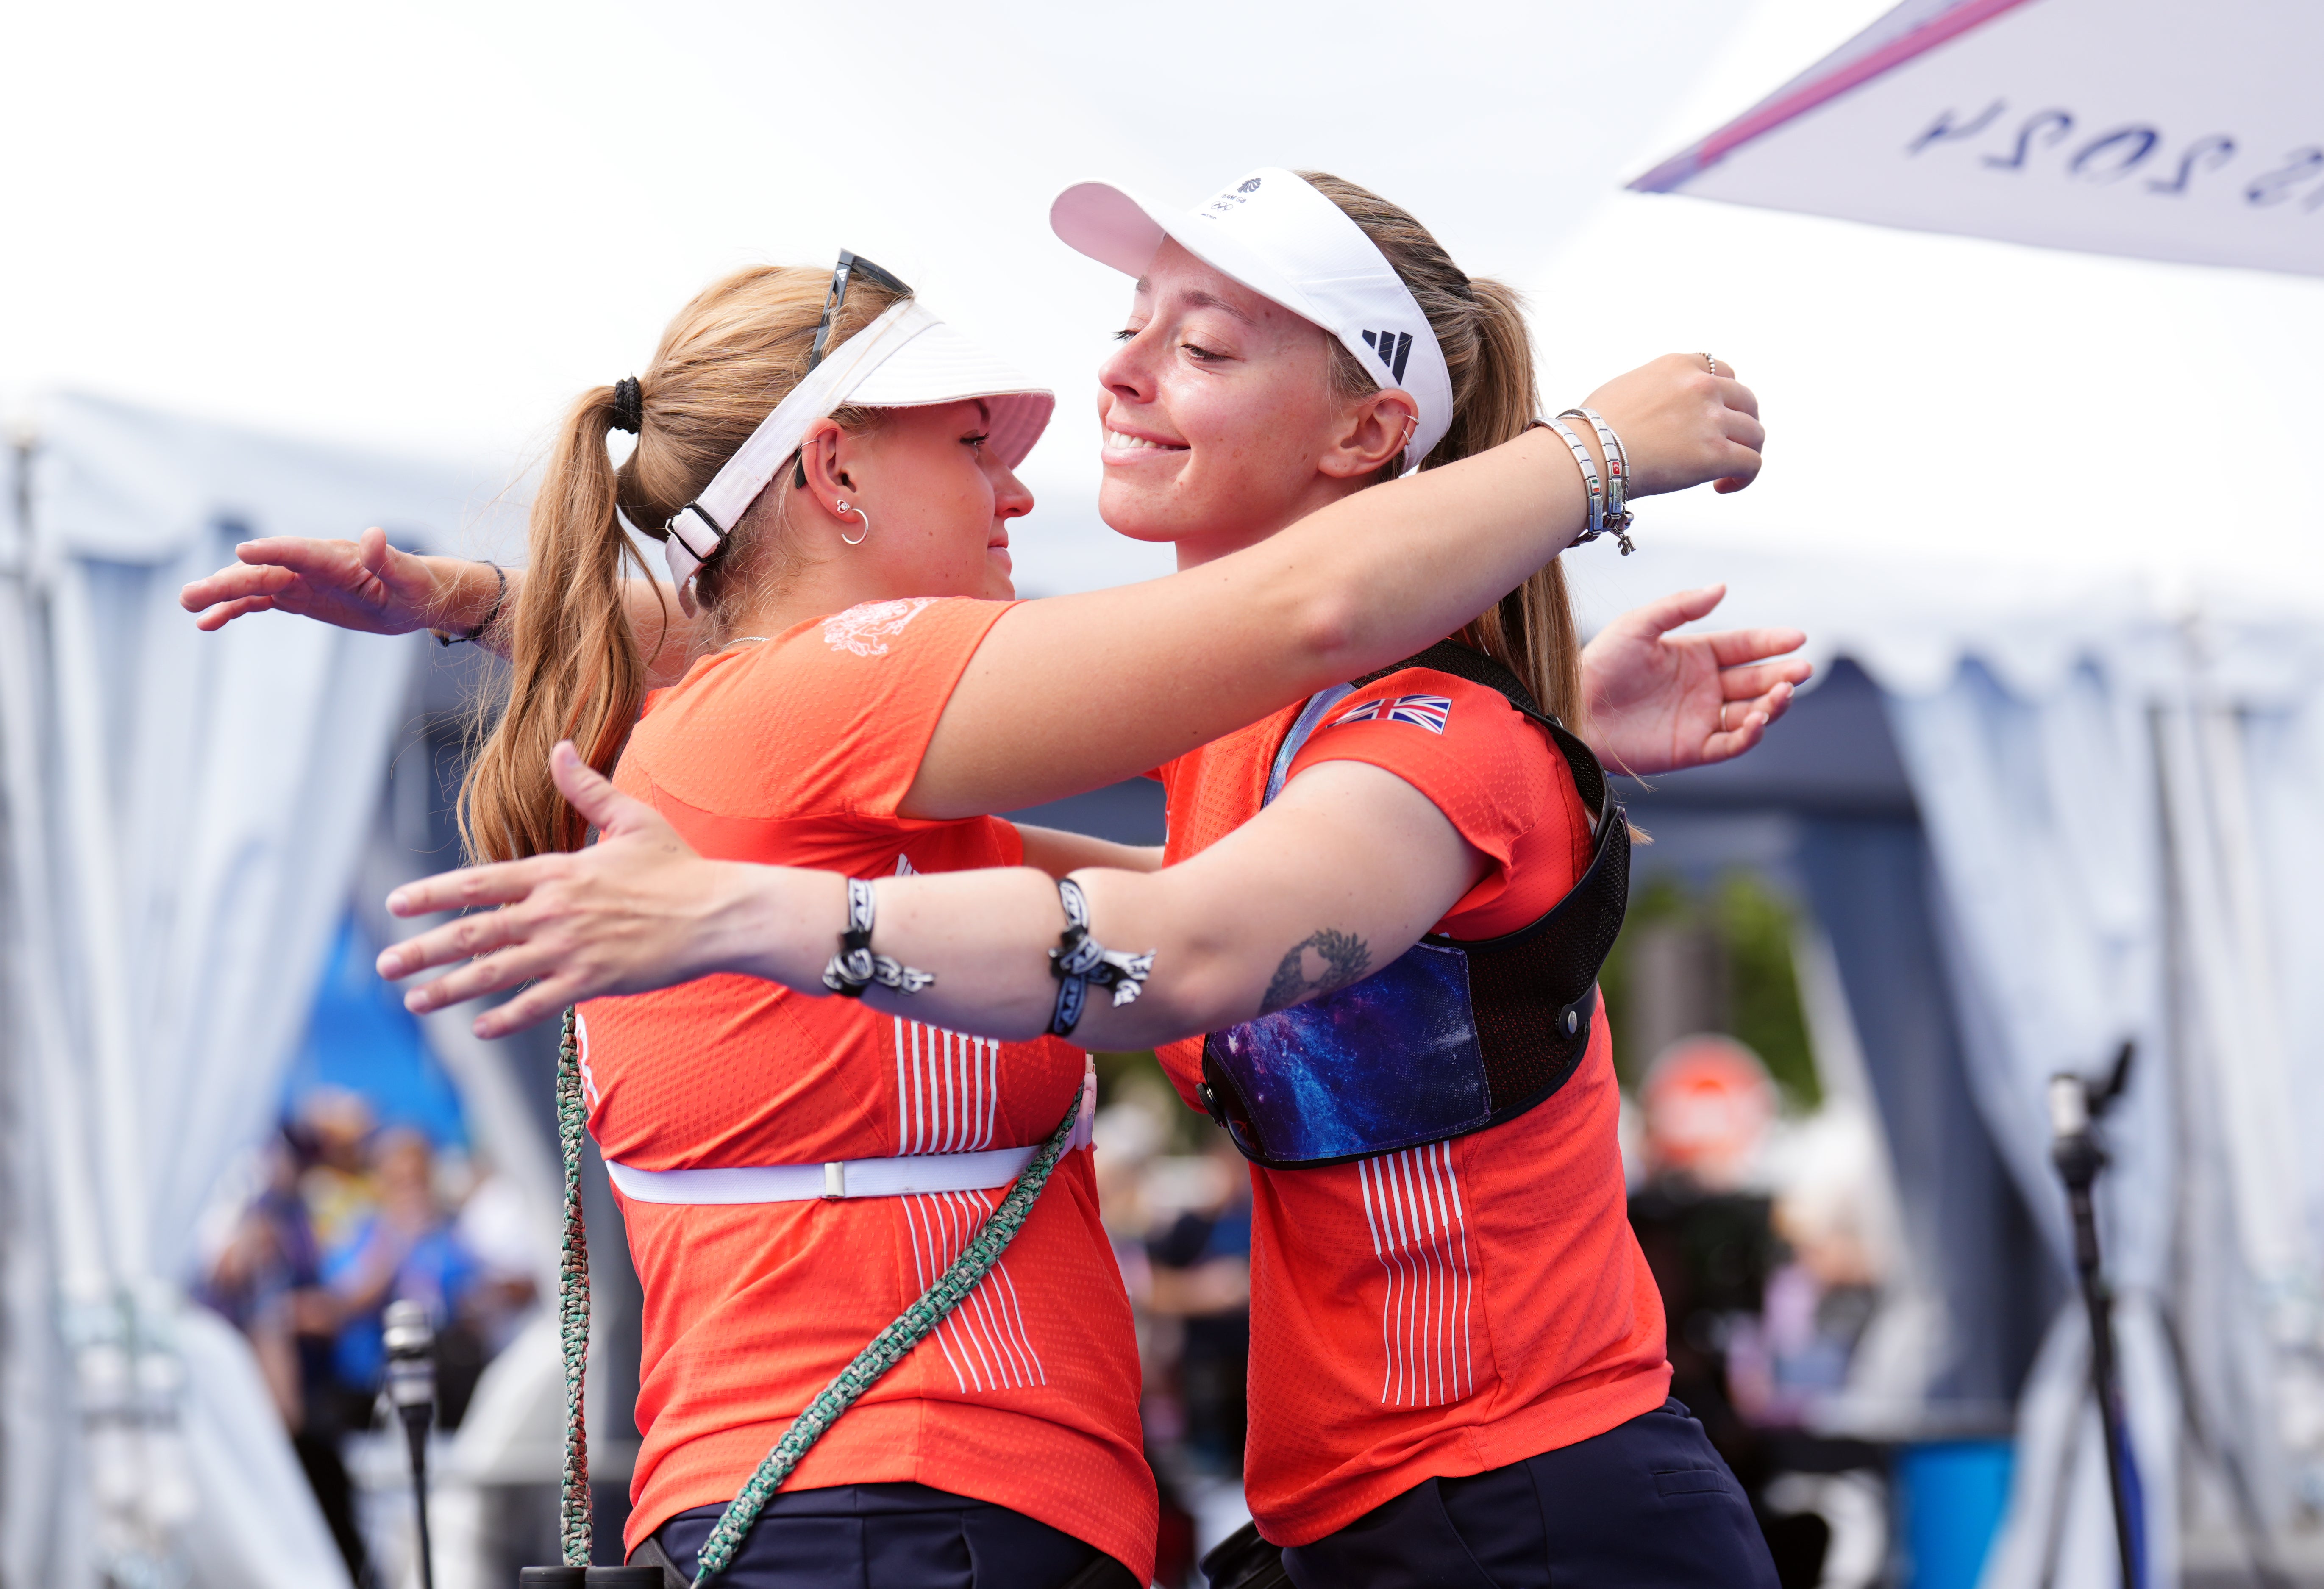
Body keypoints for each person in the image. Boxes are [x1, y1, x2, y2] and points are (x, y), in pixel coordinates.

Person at [186, 176, 1783, 1585]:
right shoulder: (1220, 737)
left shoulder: (1388, 737)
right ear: (832, 474)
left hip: (1514, 1505)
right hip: (1177, 1511)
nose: (1100, 389)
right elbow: (1201, 796)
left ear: (1372, 433)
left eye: (1204, 348)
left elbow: (1209, 916)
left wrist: (1540, 713)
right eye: (975, 436)